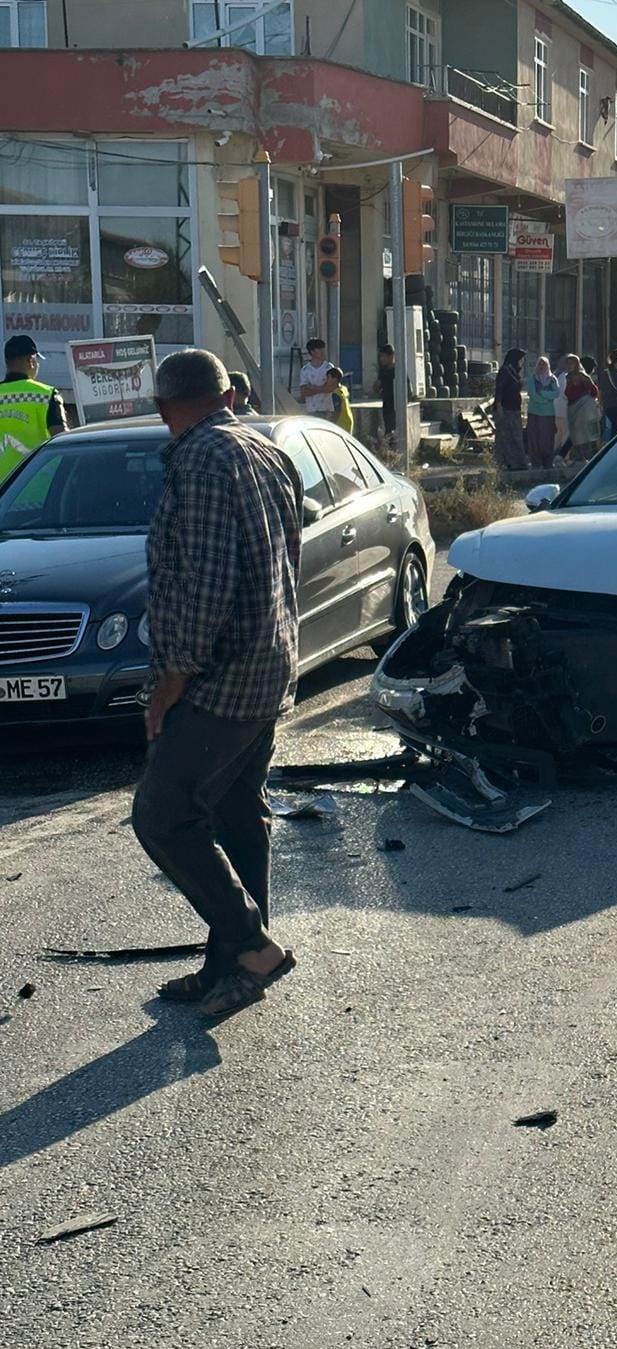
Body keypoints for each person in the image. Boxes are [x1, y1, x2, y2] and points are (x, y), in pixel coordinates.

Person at [131, 349, 302, 1022]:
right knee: (235, 812)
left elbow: (205, 588)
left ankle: (251, 945)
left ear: (164, 408)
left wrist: (172, 681)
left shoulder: (201, 461)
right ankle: (229, 967)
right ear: (228, 394)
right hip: (270, 662)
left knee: (162, 813)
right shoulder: (263, 451)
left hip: (220, 676)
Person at [0, 334, 68, 485]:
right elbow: (64, 441)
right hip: (39, 490)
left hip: (4, 497)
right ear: (30, 361)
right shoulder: (47, 395)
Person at [563, 353, 602, 461]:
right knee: (574, 433)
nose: (569, 366)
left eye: (572, 363)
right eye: (568, 364)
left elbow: (594, 391)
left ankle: (585, 457)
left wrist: (586, 401)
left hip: (583, 408)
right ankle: (577, 457)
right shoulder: (568, 377)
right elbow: (568, 393)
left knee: (583, 433)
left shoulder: (582, 376)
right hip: (572, 407)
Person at [494, 347, 528, 470]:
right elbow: (499, 389)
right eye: (520, 359)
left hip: (514, 408)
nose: (522, 362)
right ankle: (507, 463)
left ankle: (518, 462)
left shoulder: (513, 371)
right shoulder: (505, 371)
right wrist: (499, 406)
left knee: (516, 436)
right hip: (505, 408)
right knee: (506, 436)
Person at [526, 355, 560, 469]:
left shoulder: (552, 379)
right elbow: (532, 393)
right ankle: (536, 462)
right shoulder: (532, 378)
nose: (541, 366)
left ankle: (547, 462)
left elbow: (556, 393)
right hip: (534, 412)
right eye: (539, 364)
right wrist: (545, 399)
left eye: (544, 364)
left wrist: (543, 394)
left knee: (547, 438)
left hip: (548, 414)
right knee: (534, 438)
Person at [298, 337, 334, 417]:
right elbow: (304, 392)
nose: (322, 351)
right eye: (319, 349)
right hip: (311, 410)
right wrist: (322, 388)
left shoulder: (329, 367)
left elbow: (331, 388)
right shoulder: (305, 370)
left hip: (327, 409)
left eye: (323, 349)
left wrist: (312, 388)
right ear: (312, 351)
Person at [374, 343, 397, 440]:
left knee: (394, 430)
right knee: (388, 430)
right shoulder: (383, 370)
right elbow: (377, 387)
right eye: (381, 356)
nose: (381, 359)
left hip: (396, 405)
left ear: (391, 356)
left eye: (384, 356)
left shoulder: (398, 370)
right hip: (387, 403)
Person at [327, 366, 354, 432]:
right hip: (348, 419)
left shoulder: (336, 394)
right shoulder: (343, 389)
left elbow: (337, 411)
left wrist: (330, 424)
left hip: (341, 423)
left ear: (335, 379)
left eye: (328, 378)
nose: (326, 380)